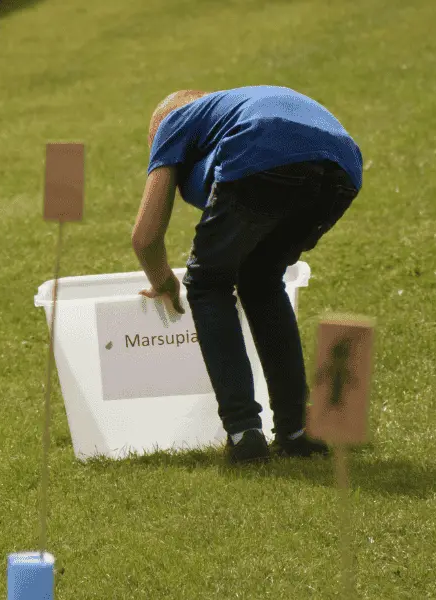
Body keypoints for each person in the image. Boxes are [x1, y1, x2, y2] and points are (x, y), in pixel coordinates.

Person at [131, 85, 362, 464]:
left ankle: (243, 433)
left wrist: (163, 281)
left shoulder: (174, 120)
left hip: (262, 148)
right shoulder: (233, 110)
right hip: (344, 166)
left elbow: (145, 237)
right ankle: (296, 430)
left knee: (208, 284)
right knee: (262, 280)